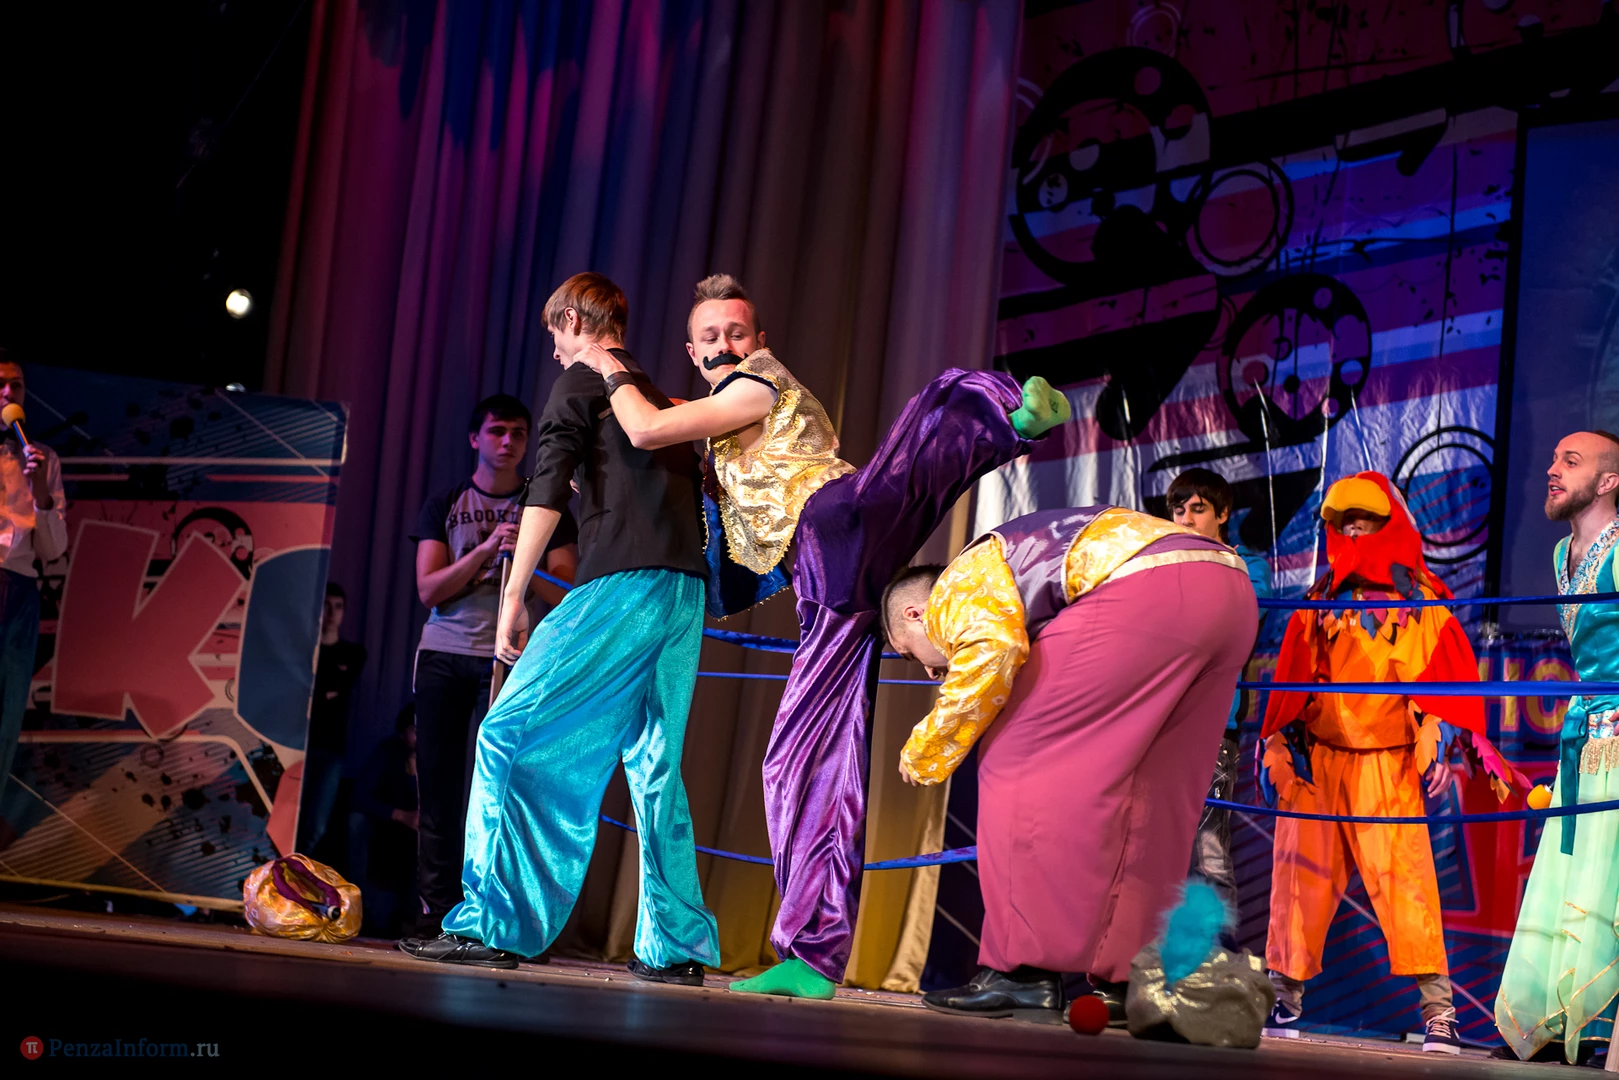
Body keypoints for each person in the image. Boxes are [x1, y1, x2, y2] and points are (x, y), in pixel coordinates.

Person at [575, 274, 1070, 999]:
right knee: (814, 755)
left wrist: (603, 359)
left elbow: (646, 426)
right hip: (849, 572)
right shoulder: (715, 411)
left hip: (830, 529)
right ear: (692, 350)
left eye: (736, 333)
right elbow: (667, 428)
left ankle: (1004, 414)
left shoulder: (755, 384)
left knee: (797, 755)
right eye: (710, 338)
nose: (724, 346)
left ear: (759, 341)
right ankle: (813, 957)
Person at [400, 272, 721, 986]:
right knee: (654, 766)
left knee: (505, 733)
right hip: (681, 591)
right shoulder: (653, 395)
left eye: (554, 332)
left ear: (575, 321)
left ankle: (492, 923)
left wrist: (514, 595)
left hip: (623, 584)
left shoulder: (582, 380)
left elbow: (544, 489)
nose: (552, 349)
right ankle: (673, 945)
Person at [880, 506, 1257, 1022]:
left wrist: (927, 748)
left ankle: (1022, 972)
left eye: (910, 655)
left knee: (1014, 757)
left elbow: (994, 649)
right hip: (1231, 591)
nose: (928, 671)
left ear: (915, 614)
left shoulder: (956, 583)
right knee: (1155, 794)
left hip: (1146, 585)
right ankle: (1133, 980)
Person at [1259, 471, 1523, 1054]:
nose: (1354, 531)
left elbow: (1444, 686)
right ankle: (1283, 996)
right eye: (1344, 523)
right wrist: (1278, 742)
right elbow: (1291, 684)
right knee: (1298, 882)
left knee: (1407, 887)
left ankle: (1439, 1011)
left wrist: (1437, 732)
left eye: (1366, 521)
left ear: (1391, 525)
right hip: (1319, 765)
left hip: (1387, 767)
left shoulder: (1423, 604)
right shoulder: (1319, 600)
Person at [407, 394, 578, 936]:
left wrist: (522, 562)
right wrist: (485, 552)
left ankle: (495, 915)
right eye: (497, 431)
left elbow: (566, 591)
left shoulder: (545, 506)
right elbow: (429, 589)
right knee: (438, 789)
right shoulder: (446, 502)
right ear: (475, 439)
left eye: (519, 434)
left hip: (509, 662)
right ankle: (436, 913)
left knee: (500, 789)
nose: (508, 442)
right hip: (444, 655)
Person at [1495, 431, 1619, 1065]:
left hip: (1618, 733)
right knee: (1573, 873)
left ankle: (1600, 1026)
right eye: (1552, 459)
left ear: (1608, 481)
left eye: (1571, 462)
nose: (1552, 470)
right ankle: (1558, 1022)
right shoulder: (1559, 554)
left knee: (1607, 876)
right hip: (1583, 734)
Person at [1167, 467, 1272, 915]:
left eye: (1198, 509)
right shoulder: (1159, 565)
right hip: (1158, 726)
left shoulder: (1249, 567)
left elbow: (1241, 616)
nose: (1186, 520)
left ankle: (1216, 949)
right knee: (1154, 845)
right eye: (1178, 510)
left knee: (1209, 847)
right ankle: (1150, 948)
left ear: (1223, 514)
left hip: (1213, 727)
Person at [0, 353, 66, 800]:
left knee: (5, 717)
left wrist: (40, 490)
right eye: (0, 384)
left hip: (19, 591)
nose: (9, 392)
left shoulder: (44, 459)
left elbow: (53, 550)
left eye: (17, 385)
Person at [297, 582, 366, 857]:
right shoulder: (305, 651)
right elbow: (311, 692)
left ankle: (295, 874)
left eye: (338, 607)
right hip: (297, 745)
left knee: (316, 824)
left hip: (331, 749)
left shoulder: (354, 653)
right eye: (326, 605)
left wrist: (320, 693)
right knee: (289, 819)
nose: (331, 613)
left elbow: (338, 688)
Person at [348, 706, 419, 938]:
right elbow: (360, 796)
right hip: (385, 824)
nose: (420, 736)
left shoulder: (435, 755)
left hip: (415, 833)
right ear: (402, 732)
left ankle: (413, 918)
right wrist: (399, 815)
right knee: (356, 822)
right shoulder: (388, 751)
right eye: (414, 730)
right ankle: (360, 906)